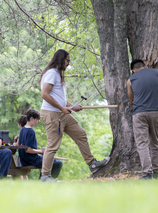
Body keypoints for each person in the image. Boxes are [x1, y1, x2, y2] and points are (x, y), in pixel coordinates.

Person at [39, 49, 109, 182]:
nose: (68, 64)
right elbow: (45, 94)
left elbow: (58, 97)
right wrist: (61, 108)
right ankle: (45, 176)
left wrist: (71, 106)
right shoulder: (52, 73)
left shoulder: (57, 74)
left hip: (61, 113)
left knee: (81, 134)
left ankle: (92, 164)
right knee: (53, 145)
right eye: (67, 61)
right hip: (52, 114)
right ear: (61, 59)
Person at [127, 59, 158, 179]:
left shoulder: (130, 80)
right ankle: (156, 172)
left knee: (142, 143)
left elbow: (131, 100)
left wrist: (136, 107)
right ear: (145, 66)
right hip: (156, 111)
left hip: (139, 113)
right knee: (155, 141)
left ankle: (147, 173)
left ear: (134, 70)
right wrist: (157, 98)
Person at [18, 109, 63, 180]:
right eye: (37, 119)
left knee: (47, 161)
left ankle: (42, 180)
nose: (39, 121)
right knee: (58, 163)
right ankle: (43, 182)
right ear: (32, 118)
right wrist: (41, 151)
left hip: (23, 160)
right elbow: (28, 150)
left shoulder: (22, 129)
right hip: (31, 160)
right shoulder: (30, 131)